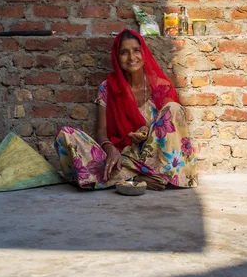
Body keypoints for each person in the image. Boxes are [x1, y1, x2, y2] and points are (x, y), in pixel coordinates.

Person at [54, 29, 197, 191]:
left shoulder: (160, 86)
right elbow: (101, 130)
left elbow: (172, 125)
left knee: (174, 108)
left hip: (154, 156)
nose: (131, 57)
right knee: (65, 135)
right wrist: (110, 149)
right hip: (123, 156)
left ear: (144, 53)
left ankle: (136, 176)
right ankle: (137, 177)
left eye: (136, 50)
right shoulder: (107, 87)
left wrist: (148, 131)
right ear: (117, 57)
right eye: (124, 52)